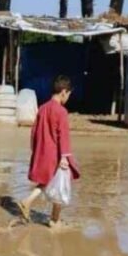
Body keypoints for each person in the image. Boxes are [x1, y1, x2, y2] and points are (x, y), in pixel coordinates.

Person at [17, 75, 80, 228]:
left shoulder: (42, 108)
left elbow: (34, 131)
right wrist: (64, 156)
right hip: (56, 154)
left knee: (46, 182)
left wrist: (35, 149)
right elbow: (63, 136)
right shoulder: (61, 112)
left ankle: (29, 203)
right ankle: (54, 220)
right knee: (60, 187)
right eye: (69, 94)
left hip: (44, 151)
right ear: (64, 92)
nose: (69, 98)